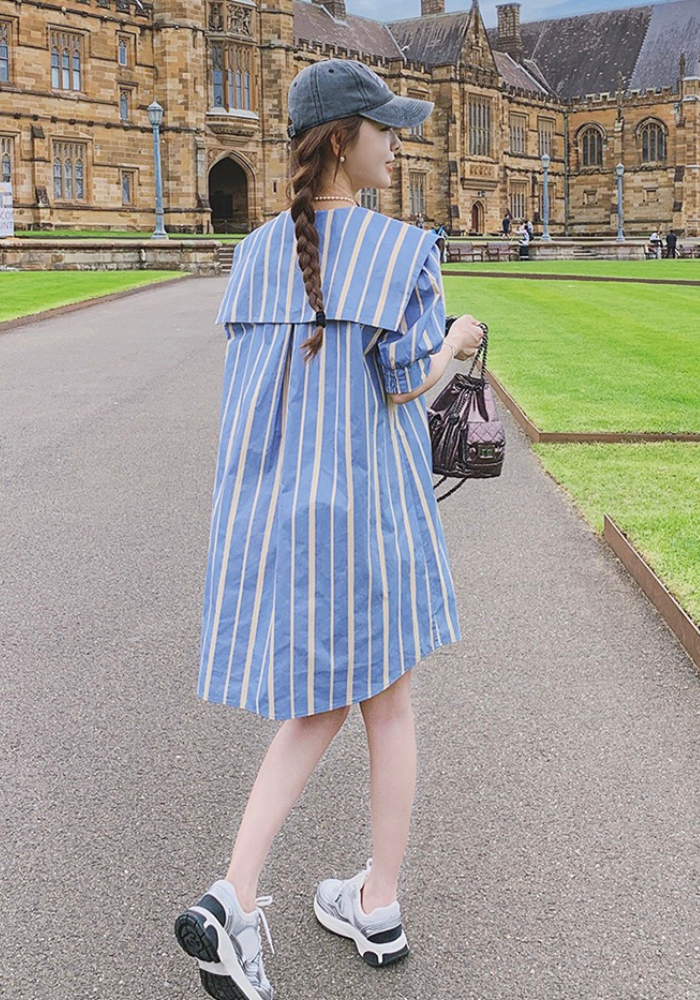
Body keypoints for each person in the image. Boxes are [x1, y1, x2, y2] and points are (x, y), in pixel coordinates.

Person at [173, 58, 484, 1000]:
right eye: (386, 129)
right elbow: (401, 386)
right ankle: (356, 902)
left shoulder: (256, 251)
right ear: (344, 139)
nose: (400, 142)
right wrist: (457, 341)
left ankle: (243, 897)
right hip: (371, 514)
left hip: (285, 517)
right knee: (386, 704)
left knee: (316, 704)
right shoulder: (401, 251)